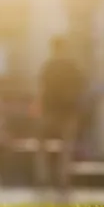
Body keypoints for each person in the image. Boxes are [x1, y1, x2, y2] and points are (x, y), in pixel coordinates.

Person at [39, 36, 86, 193]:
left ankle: (43, 179)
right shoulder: (71, 67)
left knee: (43, 146)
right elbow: (81, 86)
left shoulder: (49, 66)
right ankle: (62, 180)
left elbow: (42, 89)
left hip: (51, 110)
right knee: (66, 148)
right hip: (67, 111)